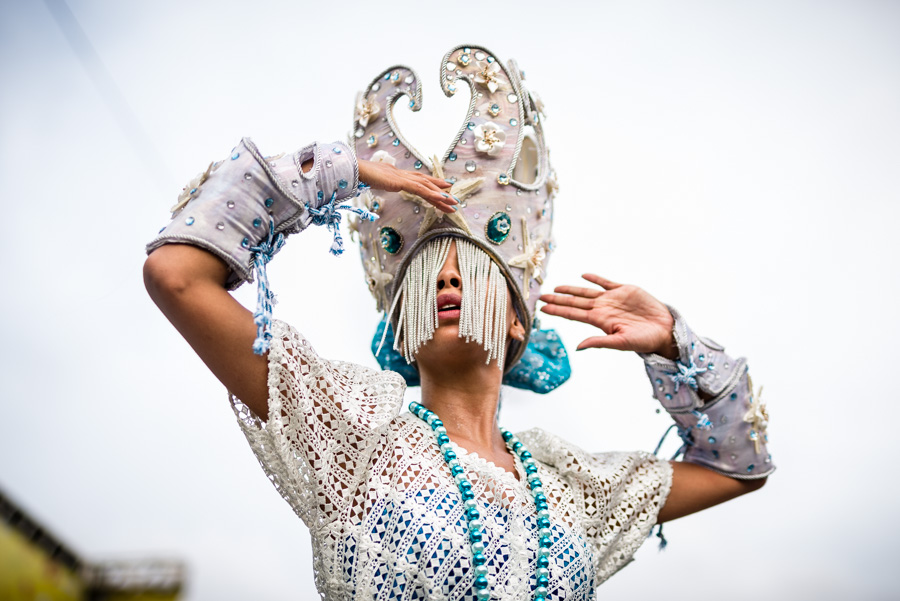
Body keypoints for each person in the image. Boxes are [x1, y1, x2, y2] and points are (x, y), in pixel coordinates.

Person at [144, 44, 772, 600]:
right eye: (427, 274)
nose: (447, 279)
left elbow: (738, 467)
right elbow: (177, 275)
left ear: (518, 324)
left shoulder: (572, 494)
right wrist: (336, 174)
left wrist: (672, 342)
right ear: (399, 325)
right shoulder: (349, 434)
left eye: (470, 270)